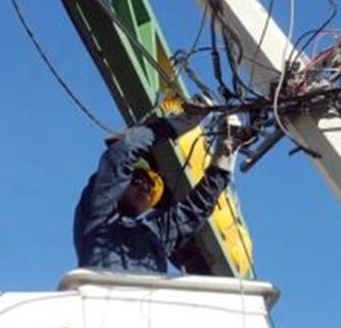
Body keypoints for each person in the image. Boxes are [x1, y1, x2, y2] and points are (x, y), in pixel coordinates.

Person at [72, 108, 238, 274]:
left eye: (151, 189)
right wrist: (181, 123)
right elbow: (120, 155)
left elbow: (194, 211)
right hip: (105, 297)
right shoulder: (97, 214)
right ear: (121, 182)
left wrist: (225, 158)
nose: (145, 188)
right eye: (138, 180)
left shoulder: (154, 235)